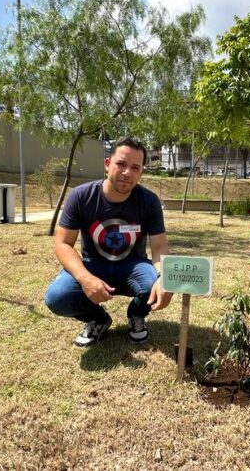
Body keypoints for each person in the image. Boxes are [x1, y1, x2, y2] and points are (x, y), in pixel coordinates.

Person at [44, 136, 173, 347]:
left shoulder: (149, 201)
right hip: (93, 265)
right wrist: (85, 278)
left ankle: (136, 315)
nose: (126, 173)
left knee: (159, 282)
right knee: (57, 297)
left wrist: (163, 277)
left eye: (135, 167)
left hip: (133, 265)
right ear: (107, 165)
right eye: (121, 164)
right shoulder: (81, 196)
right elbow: (62, 244)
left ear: (141, 172)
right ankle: (97, 319)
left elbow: (159, 246)